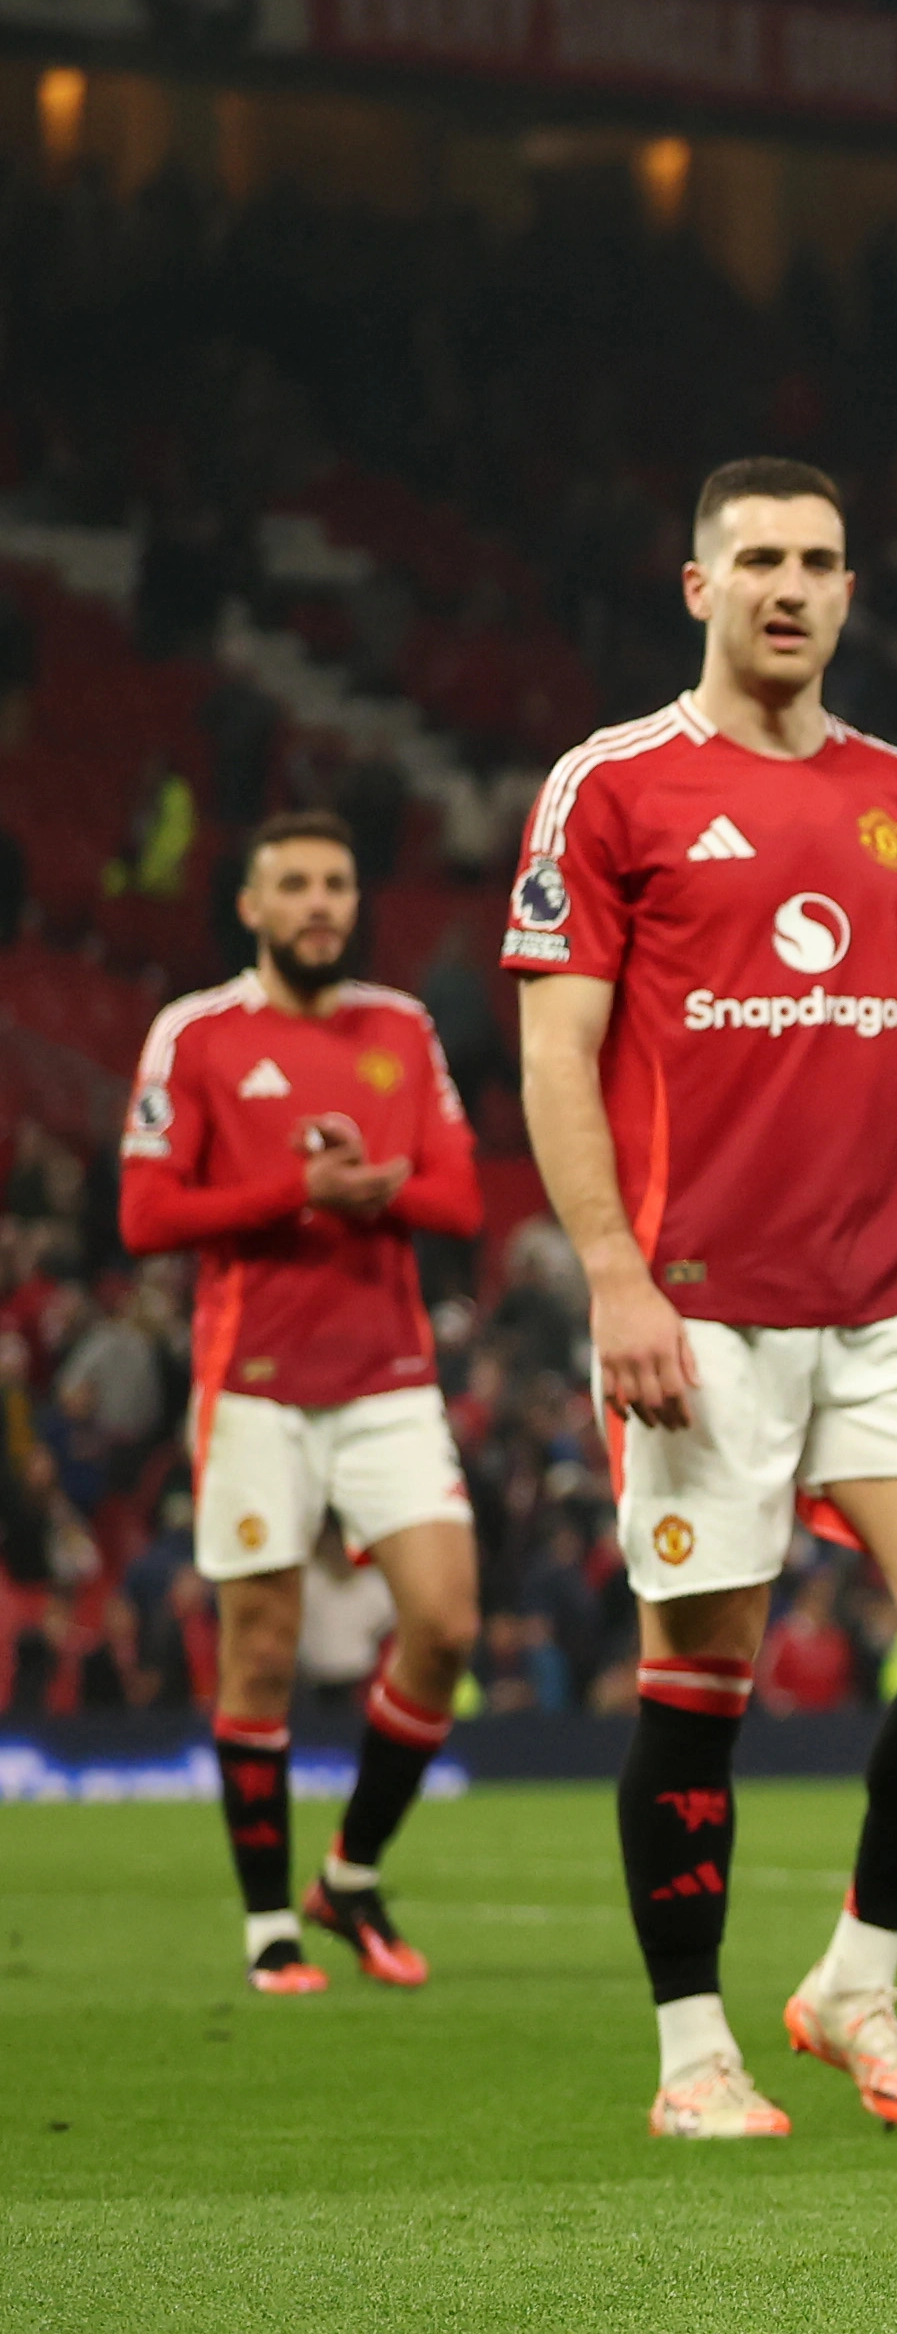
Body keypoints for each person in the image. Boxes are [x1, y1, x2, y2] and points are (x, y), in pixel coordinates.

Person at [506, 457, 897, 2141]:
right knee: (704, 1673)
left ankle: (853, 1985)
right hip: (699, 1304)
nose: (788, 586)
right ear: (698, 587)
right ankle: (691, 2056)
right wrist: (612, 1275)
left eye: (817, 559)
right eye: (756, 559)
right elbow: (554, 1049)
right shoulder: (613, 787)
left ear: (849, 590)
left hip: (889, 1292)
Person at [116, 809, 481, 1992]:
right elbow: (144, 1216)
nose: (320, 901)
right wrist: (293, 1190)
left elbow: (464, 1198)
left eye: (336, 881)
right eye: (296, 884)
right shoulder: (197, 1034)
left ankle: (353, 1873)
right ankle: (269, 1920)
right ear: (253, 905)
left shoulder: (403, 1025)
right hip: (256, 1384)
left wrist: (379, 1194)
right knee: (259, 1650)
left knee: (445, 1625)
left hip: (387, 1377)